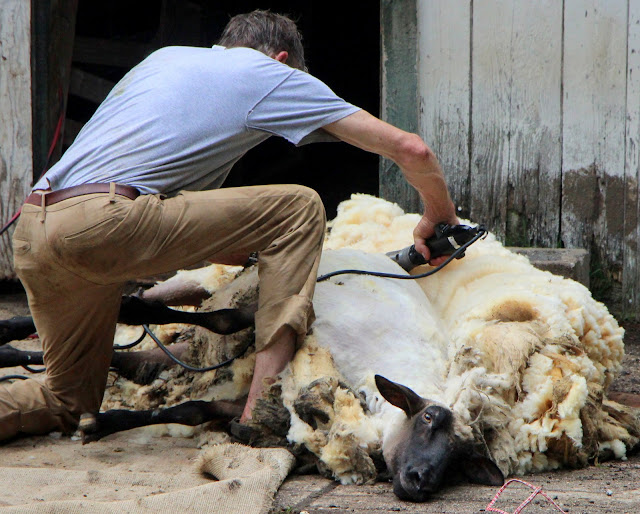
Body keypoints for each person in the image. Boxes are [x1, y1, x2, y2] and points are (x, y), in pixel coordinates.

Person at [0, 10, 458, 441]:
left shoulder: (165, 62)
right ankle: (262, 409)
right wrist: (439, 216)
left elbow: (183, 226)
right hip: (106, 223)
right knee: (300, 207)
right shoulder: (270, 74)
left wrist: (268, 260)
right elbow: (411, 150)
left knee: (66, 399)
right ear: (282, 60)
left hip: (37, 232)